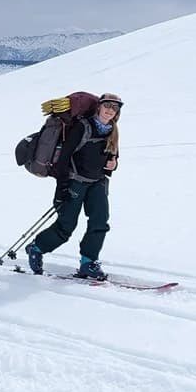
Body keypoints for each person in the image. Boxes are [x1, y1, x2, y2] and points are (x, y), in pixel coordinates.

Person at [26, 92, 121, 280]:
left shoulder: (112, 130)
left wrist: (114, 164)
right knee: (66, 226)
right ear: (99, 107)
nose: (110, 110)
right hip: (74, 181)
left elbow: (113, 156)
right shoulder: (82, 127)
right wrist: (62, 188)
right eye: (107, 106)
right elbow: (63, 159)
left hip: (98, 182)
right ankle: (37, 248)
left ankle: (88, 262)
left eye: (115, 108)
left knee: (99, 222)